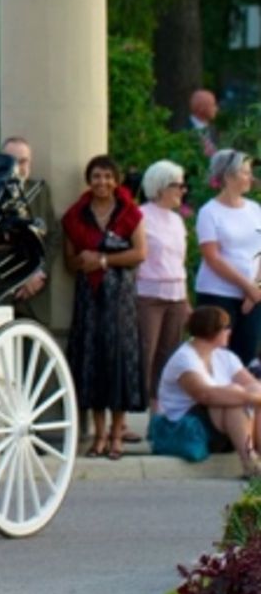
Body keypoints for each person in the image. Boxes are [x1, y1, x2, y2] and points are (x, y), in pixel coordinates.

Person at [62, 154, 147, 460]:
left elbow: (139, 253)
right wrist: (83, 261)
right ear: (89, 180)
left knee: (119, 360)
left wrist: (102, 259)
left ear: (116, 180)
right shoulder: (76, 216)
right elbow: (71, 262)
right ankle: (98, 436)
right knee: (93, 361)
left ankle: (117, 434)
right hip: (89, 298)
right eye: (97, 176)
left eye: (108, 176)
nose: (102, 182)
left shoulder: (129, 213)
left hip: (120, 298)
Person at [157, 306, 261, 477]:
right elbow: (205, 395)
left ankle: (256, 458)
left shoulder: (225, 356)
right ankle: (250, 462)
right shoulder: (184, 358)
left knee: (252, 389)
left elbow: (252, 385)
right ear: (212, 330)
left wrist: (253, 396)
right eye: (226, 327)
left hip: (227, 426)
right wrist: (250, 398)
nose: (229, 331)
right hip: (189, 427)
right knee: (234, 396)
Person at [194, 149, 261, 367]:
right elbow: (212, 257)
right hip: (217, 294)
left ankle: (242, 400)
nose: (250, 178)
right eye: (244, 172)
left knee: (245, 353)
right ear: (228, 176)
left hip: (252, 297)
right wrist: (246, 286)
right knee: (217, 357)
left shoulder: (255, 210)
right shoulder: (209, 212)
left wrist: (254, 289)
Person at [136, 159, 191, 415]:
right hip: (148, 294)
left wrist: (186, 299)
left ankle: (158, 413)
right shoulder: (141, 216)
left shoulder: (178, 221)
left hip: (176, 295)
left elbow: (179, 261)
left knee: (169, 356)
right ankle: (134, 411)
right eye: (177, 185)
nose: (183, 190)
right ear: (160, 187)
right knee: (145, 353)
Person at [0, 137, 61, 325]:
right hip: (3, 292)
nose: (18, 167)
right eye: (12, 161)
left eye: (23, 161)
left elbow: (54, 236)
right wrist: (18, 279)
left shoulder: (40, 190)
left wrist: (39, 273)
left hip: (36, 295)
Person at [188, 88, 219, 158]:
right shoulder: (183, 130)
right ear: (201, 108)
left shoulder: (214, 130)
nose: (216, 109)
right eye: (213, 105)